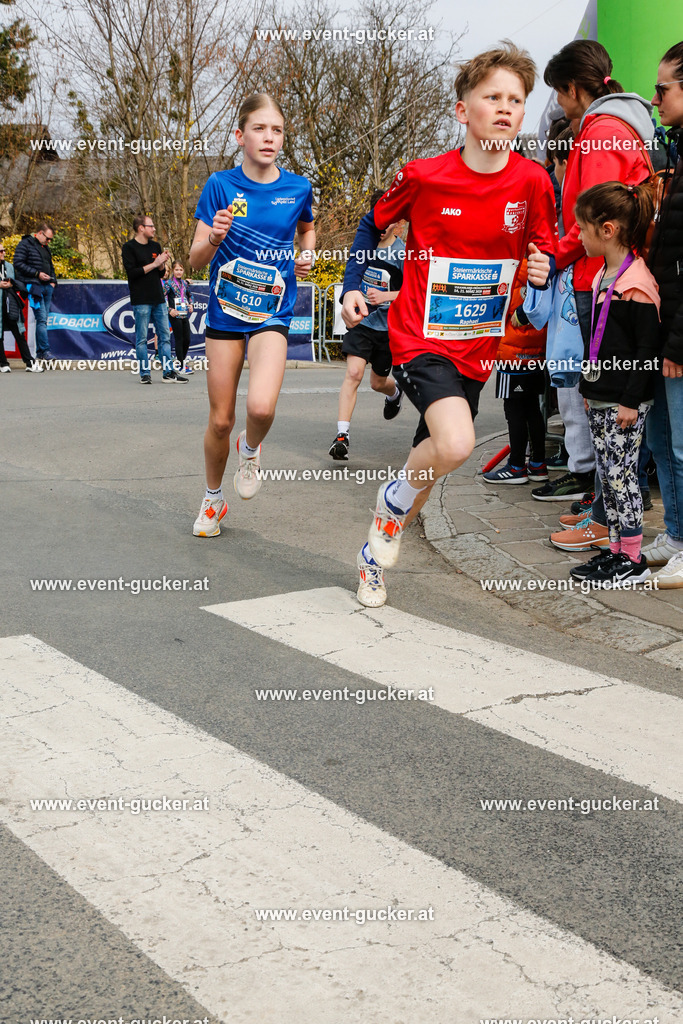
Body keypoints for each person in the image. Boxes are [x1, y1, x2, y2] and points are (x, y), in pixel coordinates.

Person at [342, 42, 557, 608]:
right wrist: (350, 288)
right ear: (464, 110)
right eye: (493, 97)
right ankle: (390, 508)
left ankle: (375, 552)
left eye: (516, 99)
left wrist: (545, 265)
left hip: (479, 345)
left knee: (433, 463)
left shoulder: (534, 183)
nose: (506, 107)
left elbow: (548, 247)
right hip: (418, 337)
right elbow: (370, 226)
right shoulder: (424, 177)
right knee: (458, 442)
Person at [534, 40, 655, 508]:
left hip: (600, 279)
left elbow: (595, 220)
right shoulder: (617, 126)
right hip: (605, 276)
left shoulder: (603, 131)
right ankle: (611, 502)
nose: (561, 106)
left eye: (559, 95)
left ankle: (612, 506)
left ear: (572, 87)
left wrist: (555, 260)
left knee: (605, 403)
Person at [189, 92, 315, 537]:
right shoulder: (220, 187)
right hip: (225, 314)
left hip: (272, 312)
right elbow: (194, 258)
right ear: (240, 136)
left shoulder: (298, 188)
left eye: (277, 130)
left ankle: (252, 446)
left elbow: (306, 227)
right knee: (220, 419)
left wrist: (308, 255)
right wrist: (214, 237)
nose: (269, 137)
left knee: (260, 407)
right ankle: (212, 499)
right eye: (259, 129)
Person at [549, 181, 660, 587]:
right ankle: (613, 551)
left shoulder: (637, 282)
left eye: (582, 229)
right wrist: (587, 388)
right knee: (608, 480)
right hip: (600, 397)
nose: (577, 236)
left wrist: (631, 400)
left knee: (622, 479)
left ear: (608, 229)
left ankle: (631, 558)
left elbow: (647, 351)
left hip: (623, 404)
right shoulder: (603, 275)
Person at [642, 41, 683, 589]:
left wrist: (677, 342)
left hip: (677, 339)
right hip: (664, 332)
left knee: (680, 443)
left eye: (664, 88)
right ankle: (675, 533)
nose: (654, 100)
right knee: (661, 437)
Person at [329, 197, 404, 461]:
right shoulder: (363, 247)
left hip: (387, 329)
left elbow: (414, 291)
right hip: (363, 324)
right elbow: (352, 276)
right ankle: (342, 436)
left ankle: (394, 393)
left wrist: (386, 297)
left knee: (377, 382)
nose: (383, 225)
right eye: (378, 218)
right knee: (353, 372)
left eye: (389, 219)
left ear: (398, 223)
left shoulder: (403, 253)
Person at [482, 259, 548, 484]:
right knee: (532, 408)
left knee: (514, 410)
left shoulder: (513, 265)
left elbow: (501, 303)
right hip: (537, 350)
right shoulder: (541, 264)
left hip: (513, 352)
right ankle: (538, 464)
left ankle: (516, 465)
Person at [122, 215, 186, 384]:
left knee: (165, 335)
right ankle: (144, 373)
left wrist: (161, 264)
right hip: (141, 298)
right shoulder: (129, 248)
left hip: (158, 298)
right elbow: (132, 273)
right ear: (141, 228)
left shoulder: (155, 246)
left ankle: (168, 371)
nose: (154, 229)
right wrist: (154, 262)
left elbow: (159, 274)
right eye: (151, 226)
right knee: (142, 338)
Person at [13, 223, 57, 362]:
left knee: (42, 321)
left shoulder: (45, 248)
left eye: (50, 240)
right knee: (42, 319)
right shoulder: (25, 244)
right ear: (39, 233)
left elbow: (50, 265)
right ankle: (45, 351)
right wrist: (37, 274)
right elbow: (18, 263)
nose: (49, 241)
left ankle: (40, 352)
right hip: (34, 287)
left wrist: (53, 281)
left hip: (46, 286)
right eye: (48, 238)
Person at [0, 244, 42, 372]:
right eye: (0, 250)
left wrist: (11, 284)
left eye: (4, 250)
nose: (3, 252)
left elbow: (15, 281)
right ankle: (3, 364)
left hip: (10, 303)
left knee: (19, 333)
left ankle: (29, 363)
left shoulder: (9, 266)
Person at [164, 260, 195, 374]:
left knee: (187, 339)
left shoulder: (185, 283)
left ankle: (180, 360)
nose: (179, 272)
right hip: (175, 314)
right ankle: (181, 366)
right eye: (176, 269)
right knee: (179, 339)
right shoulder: (168, 284)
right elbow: (162, 298)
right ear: (172, 270)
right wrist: (170, 310)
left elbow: (190, 295)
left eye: (181, 270)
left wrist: (191, 304)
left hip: (184, 314)